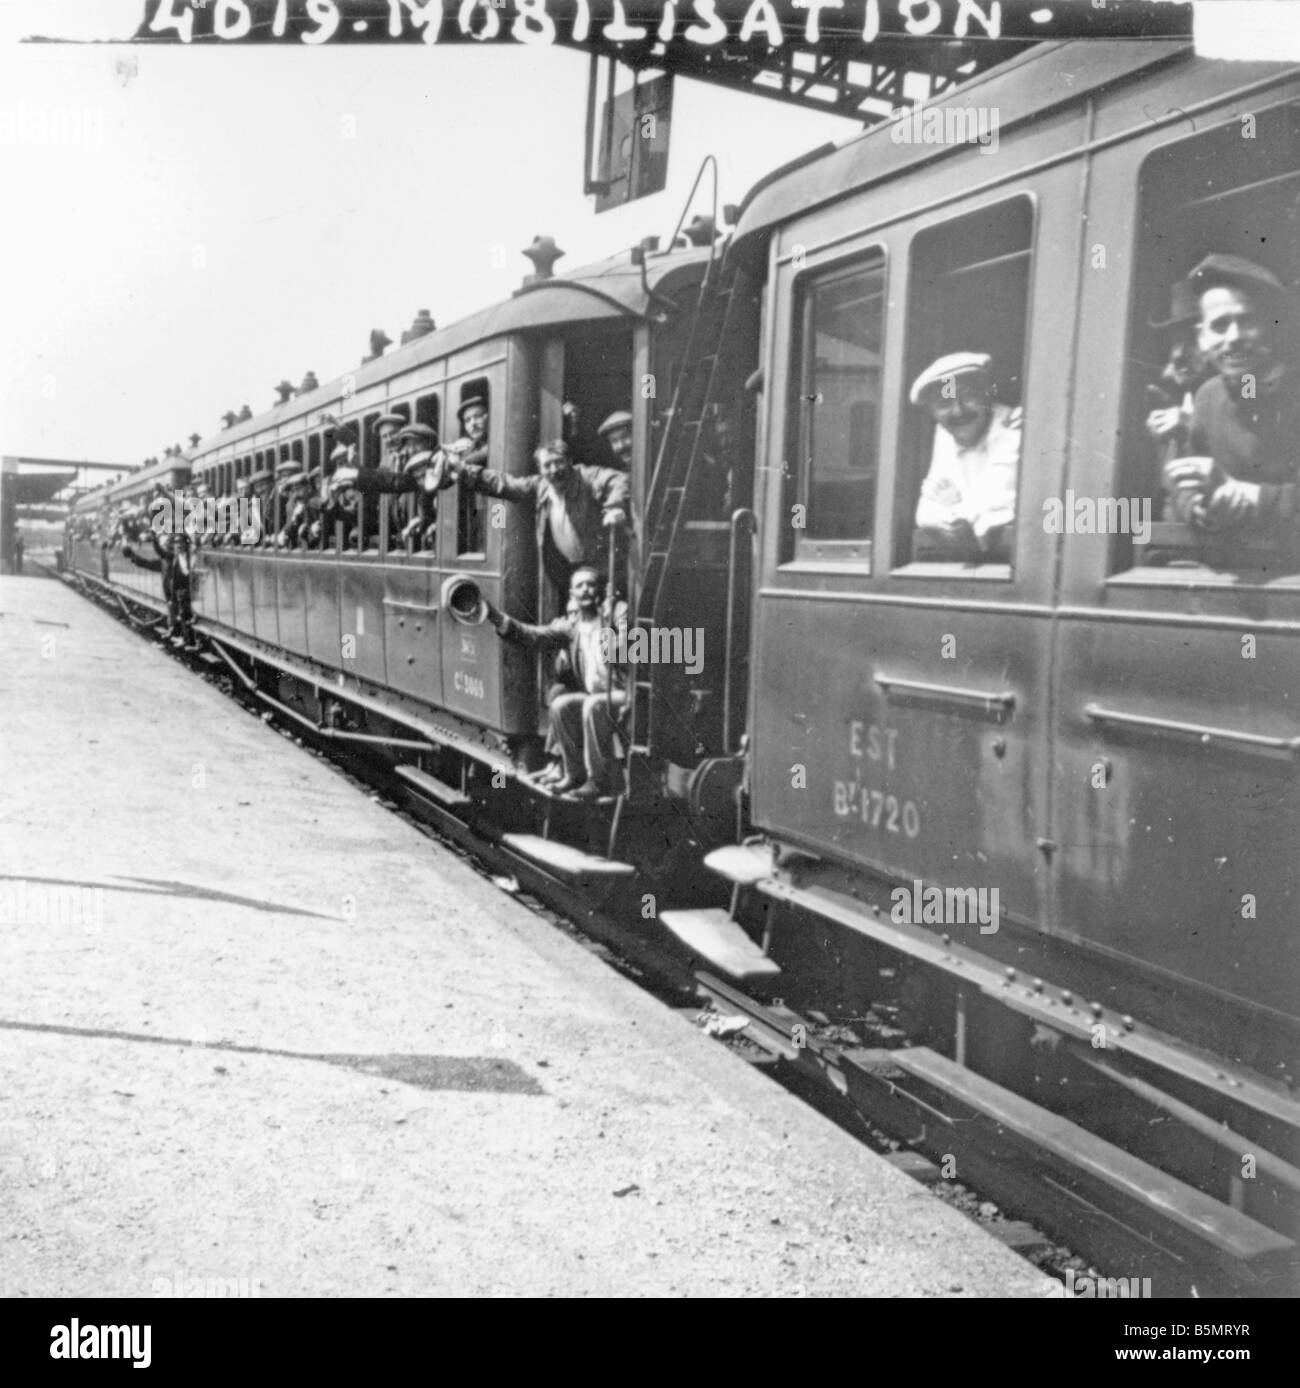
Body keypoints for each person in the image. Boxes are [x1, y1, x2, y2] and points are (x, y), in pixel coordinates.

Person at [1162, 254, 1299, 537]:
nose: (1233, 337)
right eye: (1220, 325)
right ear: (1202, 337)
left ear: (1270, 328)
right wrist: (1198, 507)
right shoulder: (1208, 397)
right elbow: (1183, 488)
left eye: (1246, 321)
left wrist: (1251, 497)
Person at [484, 565, 628, 800]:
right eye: (579, 586)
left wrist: (611, 612)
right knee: (561, 705)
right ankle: (574, 775)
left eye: (591, 584)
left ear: (600, 589)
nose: (585, 590)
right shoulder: (571, 626)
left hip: (623, 693)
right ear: (571, 594)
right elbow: (533, 635)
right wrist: (496, 618)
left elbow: (625, 646)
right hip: (596, 695)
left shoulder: (616, 614)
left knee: (592, 706)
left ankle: (598, 782)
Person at [451, 438, 629, 592]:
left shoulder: (587, 477)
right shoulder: (541, 486)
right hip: (567, 571)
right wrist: (464, 470)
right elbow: (504, 484)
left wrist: (614, 507)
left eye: (559, 462)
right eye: (547, 465)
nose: (554, 470)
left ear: (570, 460)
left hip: (601, 570)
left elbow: (618, 480)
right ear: (540, 468)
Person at [910, 351, 1021, 562]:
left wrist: (954, 505)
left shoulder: (1011, 429)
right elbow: (925, 514)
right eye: (944, 404)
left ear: (987, 394)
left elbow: (995, 508)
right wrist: (965, 512)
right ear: (932, 412)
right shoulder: (945, 433)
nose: (958, 411)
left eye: (967, 397)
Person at [1145, 279, 1212, 468]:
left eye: (1191, 339)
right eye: (1176, 340)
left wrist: (1190, 422)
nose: (1178, 353)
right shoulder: (1173, 388)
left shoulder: (1246, 385)